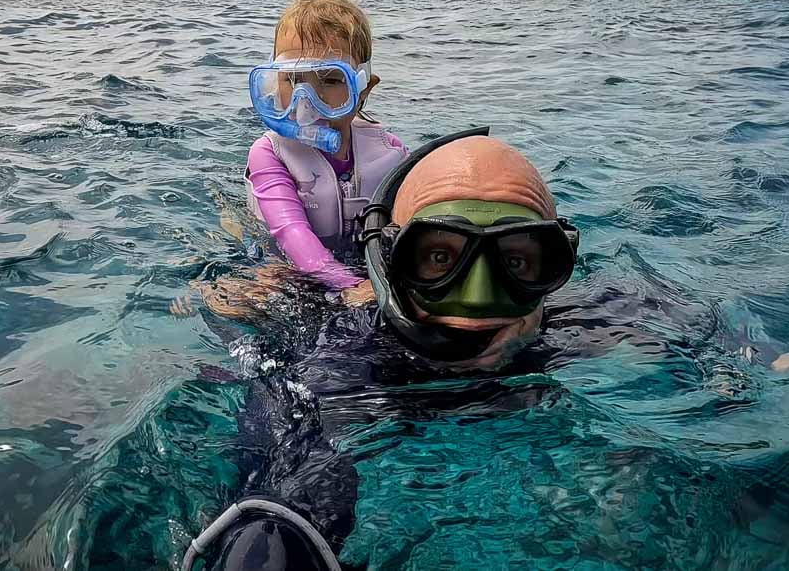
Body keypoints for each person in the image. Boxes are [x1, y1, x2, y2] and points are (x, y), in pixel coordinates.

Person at [183, 127, 583, 570]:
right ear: (388, 260)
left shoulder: (594, 323)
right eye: (439, 258)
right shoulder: (344, 354)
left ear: (555, 263)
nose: (476, 298)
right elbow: (291, 470)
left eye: (515, 260)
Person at [245, 0, 408, 298]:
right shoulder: (269, 154)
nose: (306, 100)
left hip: (360, 265)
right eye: (291, 80)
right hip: (288, 263)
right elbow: (291, 233)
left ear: (363, 90)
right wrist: (351, 285)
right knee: (250, 295)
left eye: (331, 81)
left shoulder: (390, 152)